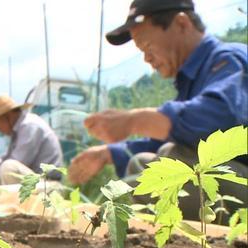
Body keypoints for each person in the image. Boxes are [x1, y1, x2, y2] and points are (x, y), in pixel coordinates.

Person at [67, 0, 248, 220]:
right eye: (141, 50)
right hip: (229, 179)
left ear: (181, 24)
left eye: (148, 46)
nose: (146, 58)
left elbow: (220, 117)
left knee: (130, 193)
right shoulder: (192, 78)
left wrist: (135, 120)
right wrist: (107, 153)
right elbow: (174, 136)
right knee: (141, 160)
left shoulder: (229, 60)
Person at [0, 95, 63, 185]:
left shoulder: (29, 126)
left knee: (8, 168)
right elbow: (5, 160)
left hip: (49, 184)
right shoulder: (20, 130)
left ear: (7, 117)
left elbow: (17, 162)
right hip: (39, 182)